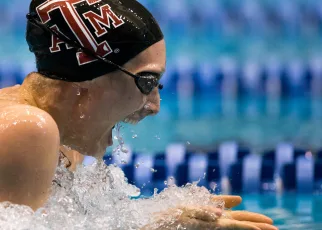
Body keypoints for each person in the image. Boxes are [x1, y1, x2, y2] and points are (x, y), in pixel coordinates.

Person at [0, 0, 277, 229]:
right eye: (147, 81)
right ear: (87, 76)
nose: (154, 105)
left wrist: (163, 219)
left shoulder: (59, 132)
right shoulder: (30, 129)